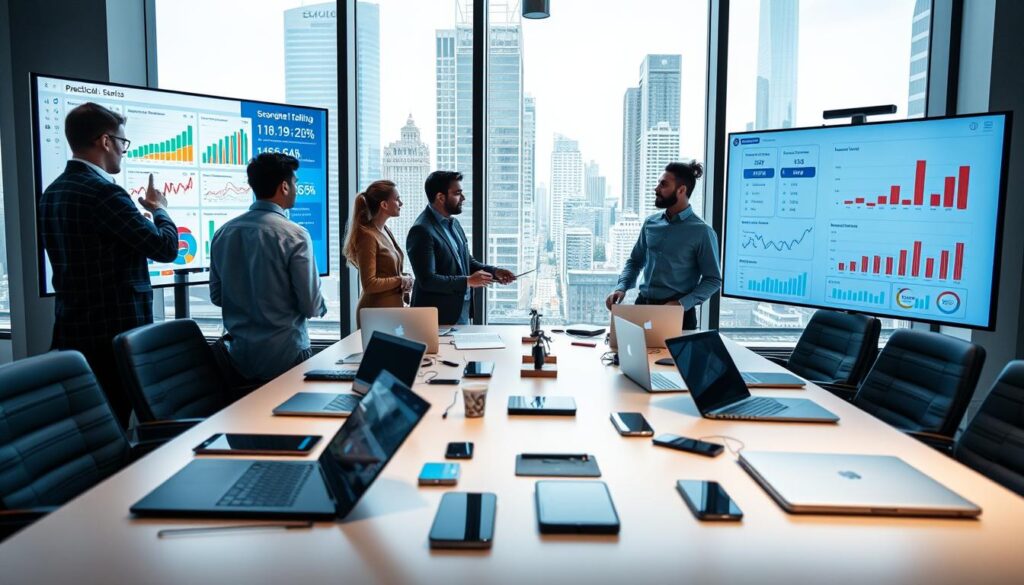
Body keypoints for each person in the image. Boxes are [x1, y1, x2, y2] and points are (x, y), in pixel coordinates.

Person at [39, 102, 179, 427]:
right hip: (114, 337)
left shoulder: (53, 191)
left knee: (90, 431)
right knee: (115, 427)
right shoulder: (104, 193)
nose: (123, 151)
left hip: (73, 331)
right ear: (105, 141)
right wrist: (159, 209)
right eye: (122, 143)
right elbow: (165, 246)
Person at [210, 153, 327, 394]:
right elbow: (311, 306)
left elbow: (217, 297)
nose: (296, 188)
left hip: (238, 361)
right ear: (284, 186)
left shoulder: (223, 232)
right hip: (287, 357)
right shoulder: (295, 235)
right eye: (294, 183)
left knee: (247, 421)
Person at [606, 161, 722, 330]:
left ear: (681, 190)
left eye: (663, 184)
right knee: (629, 355)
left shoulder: (702, 232)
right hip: (643, 307)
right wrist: (621, 287)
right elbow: (635, 261)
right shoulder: (650, 223)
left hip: (678, 314)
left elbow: (713, 280)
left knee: (671, 358)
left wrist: (681, 304)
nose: (656, 188)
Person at [406, 170, 516, 325]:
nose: (463, 198)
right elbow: (428, 280)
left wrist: (495, 271)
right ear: (440, 197)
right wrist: (468, 281)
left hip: (461, 313)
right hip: (435, 319)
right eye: (457, 193)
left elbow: (466, 262)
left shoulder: (453, 223)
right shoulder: (422, 230)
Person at [344, 180, 413, 326]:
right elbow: (369, 283)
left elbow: (388, 272)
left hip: (391, 311)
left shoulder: (385, 230)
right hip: (375, 313)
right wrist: (400, 280)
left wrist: (405, 278)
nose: (401, 203)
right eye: (397, 199)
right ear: (384, 205)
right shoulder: (367, 236)